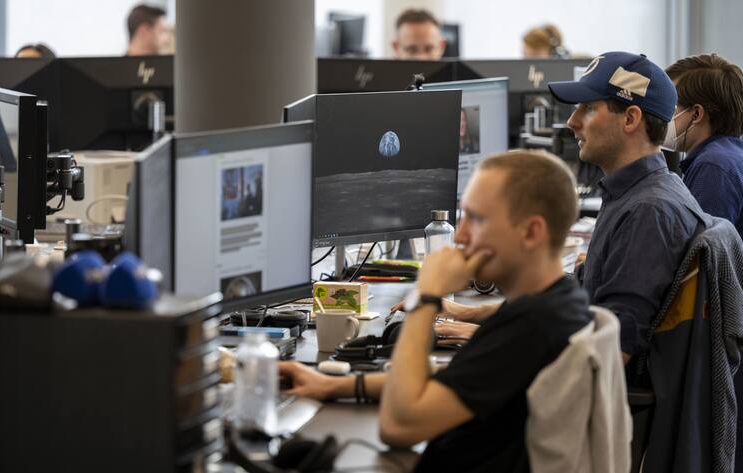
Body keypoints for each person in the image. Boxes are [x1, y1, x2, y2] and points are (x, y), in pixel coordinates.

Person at [281, 150, 594, 472]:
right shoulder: (555, 301)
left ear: (531, 232)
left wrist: (426, 298)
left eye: (477, 219)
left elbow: (398, 426)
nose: (459, 236)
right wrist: (332, 384)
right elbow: (454, 380)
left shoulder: (534, 326)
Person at [546, 52, 707, 370]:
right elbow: (588, 289)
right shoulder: (636, 192)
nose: (572, 122)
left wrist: (510, 346)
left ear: (631, 119)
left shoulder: (647, 213)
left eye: (588, 108)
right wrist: (487, 316)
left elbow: (612, 352)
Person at [664, 53, 743, 236]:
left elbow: (699, 254)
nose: (659, 116)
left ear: (696, 114)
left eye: (668, 106)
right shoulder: (728, 155)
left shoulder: (713, 166)